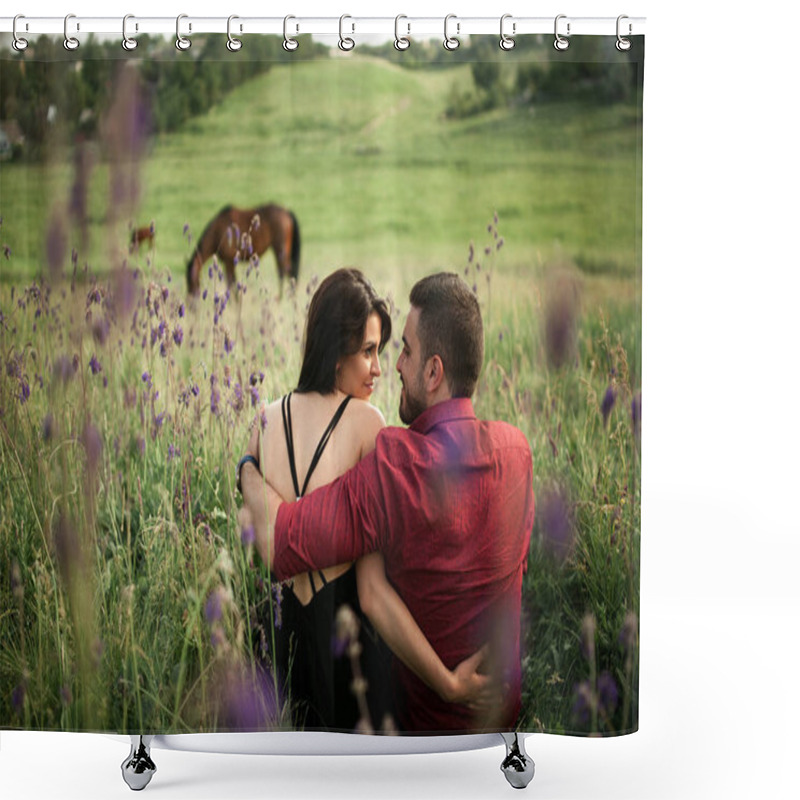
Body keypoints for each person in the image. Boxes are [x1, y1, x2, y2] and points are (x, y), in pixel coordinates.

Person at [241, 272, 535, 734]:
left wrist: (247, 469)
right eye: (375, 350)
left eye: (405, 351)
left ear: (434, 372)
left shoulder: (395, 466)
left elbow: (281, 542)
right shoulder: (517, 454)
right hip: (500, 722)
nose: (393, 366)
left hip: (416, 729)